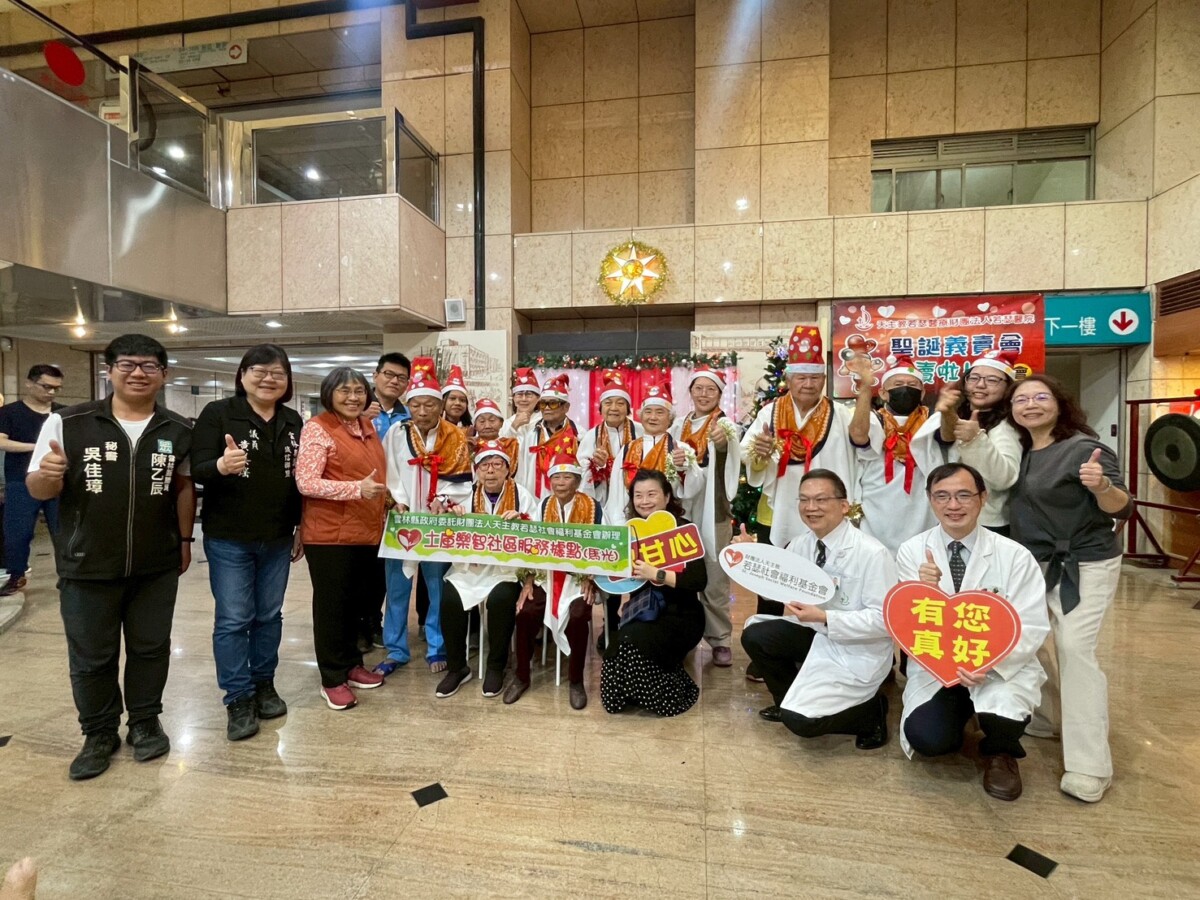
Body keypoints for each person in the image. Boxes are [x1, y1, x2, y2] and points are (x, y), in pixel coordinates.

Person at [26, 334, 195, 780]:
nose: (138, 373)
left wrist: (184, 541)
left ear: (164, 374)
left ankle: (144, 722)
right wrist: (49, 475)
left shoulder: (177, 429)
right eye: (127, 364)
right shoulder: (69, 422)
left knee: (150, 648)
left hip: (155, 564)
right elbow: (38, 487)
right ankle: (99, 732)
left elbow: (182, 487)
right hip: (86, 561)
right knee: (91, 656)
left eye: (149, 365)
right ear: (110, 371)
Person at [1008, 374, 1132, 803]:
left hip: (1085, 561)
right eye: (1021, 399)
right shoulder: (1020, 450)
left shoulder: (1083, 449)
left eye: (1041, 396)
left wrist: (1102, 486)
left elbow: (1123, 506)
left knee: (1075, 650)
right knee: (1031, 642)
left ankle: (1089, 765)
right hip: (1034, 563)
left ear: (1060, 403)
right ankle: (1045, 717)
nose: (1030, 405)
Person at [896, 463, 1050, 801]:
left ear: (983, 498)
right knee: (928, 739)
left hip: (996, 666)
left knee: (1004, 711)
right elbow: (908, 623)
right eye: (942, 496)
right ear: (930, 500)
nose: (953, 505)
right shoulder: (912, 551)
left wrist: (988, 663)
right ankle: (963, 715)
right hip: (938, 666)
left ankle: (1000, 753)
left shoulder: (1014, 556)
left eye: (964, 495)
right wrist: (924, 592)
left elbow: (1032, 624)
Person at [191, 345, 303, 741]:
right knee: (234, 618)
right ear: (242, 375)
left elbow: (299, 479)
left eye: (278, 372)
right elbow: (197, 468)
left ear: (287, 381)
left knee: (269, 615)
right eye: (259, 370)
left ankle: (263, 683)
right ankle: (238, 697)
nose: (268, 378)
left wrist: (301, 525)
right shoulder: (218, 414)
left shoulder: (292, 420)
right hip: (230, 537)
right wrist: (221, 466)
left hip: (278, 536)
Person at [739, 469, 894, 749]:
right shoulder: (801, 544)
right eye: (804, 500)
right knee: (756, 635)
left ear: (844, 506)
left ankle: (871, 714)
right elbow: (774, 591)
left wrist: (826, 618)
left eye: (821, 499)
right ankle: (786, 700)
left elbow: (885, 621)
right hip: (816, 632)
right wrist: (751, 559)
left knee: (803, 724)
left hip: (855, 648)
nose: (811, 508)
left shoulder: (872, 553)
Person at [295, 367, 387, 710]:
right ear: (329, 394)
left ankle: (351, 664)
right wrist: (356, 489)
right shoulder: (318, 428)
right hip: (330, 536)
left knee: (355, 606)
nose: (353, 397)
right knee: (332, 608)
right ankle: (332, 678)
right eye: (344, 391)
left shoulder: (367, 427)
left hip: (365, 531)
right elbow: (306, 482)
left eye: (359, 391)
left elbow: (373, 477)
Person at [380, 359, 472, 674]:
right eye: (416, 404)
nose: (422, 411)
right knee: (397, 588)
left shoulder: (454, 436)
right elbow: (387, 471)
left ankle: (437, 646)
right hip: (403, 521)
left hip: (437, 522)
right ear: (409, 405)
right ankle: (395, 649)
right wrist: (396, 501)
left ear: (440, 405)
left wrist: (443, 500)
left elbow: (463, 479)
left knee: (437, 587)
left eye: (429, 404)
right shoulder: (396, 432)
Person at [436, 439, 539, 699]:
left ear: (508, 469)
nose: (490, 471)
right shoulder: (465, 495)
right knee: (450, 599)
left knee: (501, 599)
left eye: (496, 465)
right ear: (477, 470)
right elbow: (442, 522)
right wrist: (452, 516)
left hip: (506, 569)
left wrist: (522, 521)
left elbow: (537, 534)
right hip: (470, 568)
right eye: (484, 465)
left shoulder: (522, 496)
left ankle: (496, 666)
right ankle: (457, 668)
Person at [600, 469, 707, 717]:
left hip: (681, 615)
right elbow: (613, 578)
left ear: (667, 497)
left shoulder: (683, 529)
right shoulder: (629, 534)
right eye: (638, 495)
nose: (644, 501)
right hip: (643, 612)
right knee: (619, 644)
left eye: (651, 494)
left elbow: (698, 581)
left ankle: (669, 693)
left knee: (637, 641)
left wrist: (656, 573)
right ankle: (628, 693)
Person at [741, 326, 856, 553]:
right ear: (789, 379)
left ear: (824, 380)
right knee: (777, 569)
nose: (808, 384)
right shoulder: (770, 413)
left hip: (826, 513)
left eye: (815, 378)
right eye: (801, 378)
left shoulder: (841, 414)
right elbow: (747, 455)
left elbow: (862, 449)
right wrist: (760, 454)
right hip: (777, 510)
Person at [507, 449, 602, 709]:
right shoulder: (542, 506)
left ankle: (576, 681)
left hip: (578, 578)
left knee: (579, 614)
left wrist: (590, 578)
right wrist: (528, 581)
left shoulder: (593, 507)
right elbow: (532, 546)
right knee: (525, 611)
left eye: (567, 477)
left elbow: (601, 547)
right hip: (546, 576)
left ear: (578, 481)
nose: (561, 483)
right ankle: (521, 676)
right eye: (556, 478)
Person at [672, 365, 741, 668]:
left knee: (714, 576)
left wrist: (724, 443)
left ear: (720, 394)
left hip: (715, 509)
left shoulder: (725, 425)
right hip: (683, 508)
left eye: (710, 389)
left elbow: (734, 455)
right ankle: (684, 635)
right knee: (681, 572)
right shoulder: (679, 425)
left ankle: (720, 638)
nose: (704, 394)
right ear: (690, 392)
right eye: (698, 388)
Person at [913, 348, 1021, 534]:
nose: (980, 385)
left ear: (1008, 388)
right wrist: (947, 412)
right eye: (974, 378)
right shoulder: (959, 413)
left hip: (987, 522)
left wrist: (976, 439)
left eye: (992, 380)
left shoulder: (1008, 425)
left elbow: (1004, 479)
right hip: (950, 514)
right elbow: (945, 441)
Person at [848, 354, 938, 554]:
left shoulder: (932, 422)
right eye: (898, 384)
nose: (905, 389)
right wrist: (865, 389)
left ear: (922, 393)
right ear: (883, 393)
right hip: (877, 513)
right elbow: (858, 435)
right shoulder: (874, 420)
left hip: (922, 513)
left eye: (912, 385)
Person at [0, 364, 64, 596]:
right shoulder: (10, 412)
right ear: (29, 384)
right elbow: (1, 441)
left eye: (56, 388)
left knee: (63, 531)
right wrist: (36, 447)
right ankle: (16, 575)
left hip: (58, 482)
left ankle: (68, 576)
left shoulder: (63, 414)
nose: (51, 392)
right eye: (46, 386)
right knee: (17, 532)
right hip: (21, 481)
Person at [603, 379, 701, 526]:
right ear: (641, 417)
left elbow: (693, 491)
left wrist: (684, 469)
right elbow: (616, 497)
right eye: (648, 412)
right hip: (633, 525)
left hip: (672, 524)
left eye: (660, 412)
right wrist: (622, 528)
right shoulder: (627, 450)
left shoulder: (681, 449)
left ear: (670, 418)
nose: (653, 417)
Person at [578, 369, 642, 508]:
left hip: (637, 498)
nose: (614, 408)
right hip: (604, 501)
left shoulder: (641, 431)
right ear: (600, 409)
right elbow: (580, 475)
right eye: (608, 403)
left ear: (628, 409)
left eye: (620, 403)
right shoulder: (591, 436)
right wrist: (596, 467)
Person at [522, 373, 579, 502]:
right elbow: (522, 473)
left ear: (566, 407)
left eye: (553, 403)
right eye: (543, 404)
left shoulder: (578, 435)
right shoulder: (531, 434)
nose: (546, 408)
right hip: (534, 500)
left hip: (569, 500)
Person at [500, 367, 543, 492]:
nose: (524, 399)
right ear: (514, 398)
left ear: (538, 398)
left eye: (529, 394)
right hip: (513, 485)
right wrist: (514, 426)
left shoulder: (545, 422)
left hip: (539, 484)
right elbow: (501, 450)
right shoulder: (507, 424)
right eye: (519, 394)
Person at [366, 352, 412, 438]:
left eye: (402, 378)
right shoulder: (359, 409)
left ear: (407, 384)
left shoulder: (410, 415)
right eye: (389, 374)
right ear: (375, 376)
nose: (395, 381)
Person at [472, 398, 518, 469]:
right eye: (482, 421)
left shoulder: (510, 445)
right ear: (475, 426)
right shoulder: (471, 446)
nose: (487, 426)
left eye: (492, 420)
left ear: (501, 423)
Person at [441, 365, 472, 431]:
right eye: (452, 398)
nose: (457, 403)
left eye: (462, 400)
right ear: (443, 401)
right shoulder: (433, 427)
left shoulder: (472, 430)